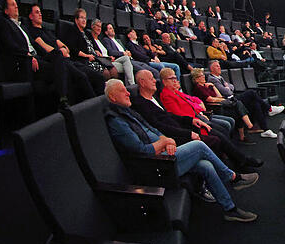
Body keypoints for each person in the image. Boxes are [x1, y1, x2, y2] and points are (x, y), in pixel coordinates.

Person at [104, 79, 259, 222]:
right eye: (123, 90)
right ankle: (233, 178)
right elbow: (142, 151)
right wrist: (164, 142)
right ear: (112, 96)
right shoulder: (117, 121)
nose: (128, 92)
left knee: (206, 165)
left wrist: (167, 139)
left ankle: (230, 209)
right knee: (199, 146)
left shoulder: (129, 112)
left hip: (165, 155)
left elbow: (152, 129)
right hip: (154, 167)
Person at [22, 2, 101, 103]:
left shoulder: (47, 30)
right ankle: (95, 106)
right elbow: (44, 47)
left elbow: (63, 46)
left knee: (97, 76)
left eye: (40, 12)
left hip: (67, 59)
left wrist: (63, 48)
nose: (40, 14)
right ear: (30, 16)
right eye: (37, 12)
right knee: (82, 77)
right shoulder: (33, 31)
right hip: (57, 60)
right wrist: (60, 51)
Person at [206, 60, 282, 134]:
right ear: (212, 69)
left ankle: (265, 130)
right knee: (251, 92)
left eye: (219, 66)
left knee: (255, 103)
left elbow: (232, 86)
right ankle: (269, 108)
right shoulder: (212, 79)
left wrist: (228, 87)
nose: (219, 67)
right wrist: (228, 88)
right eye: (217, 66)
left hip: (233, 97)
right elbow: (227, 92)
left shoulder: (219, 77)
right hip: (228, 101)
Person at [63, 9, 117, 82]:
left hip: (95, 58)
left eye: (85, 18)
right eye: (82, 18)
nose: (84, 20)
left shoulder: (87, 33)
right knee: (106, 73)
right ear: (76, 20)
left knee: (113, 70)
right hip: (83, 59)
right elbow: (73, 49)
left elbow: (94, 46)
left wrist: (97, 51)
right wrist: (86, 56)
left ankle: (115, 90)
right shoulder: (72, 31)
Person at [88, 19, 136, 85]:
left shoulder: (100, 40)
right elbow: (99, 54)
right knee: (127, 65)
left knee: (127, 62)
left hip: (109, 60)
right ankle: (131, 85)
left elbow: (106, 52)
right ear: (92, 27)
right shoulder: (92, 40)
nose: (99, 28)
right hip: (105, 62)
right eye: (97, 26)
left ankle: (130, 85)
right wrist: (108, 57)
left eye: (100, 27)